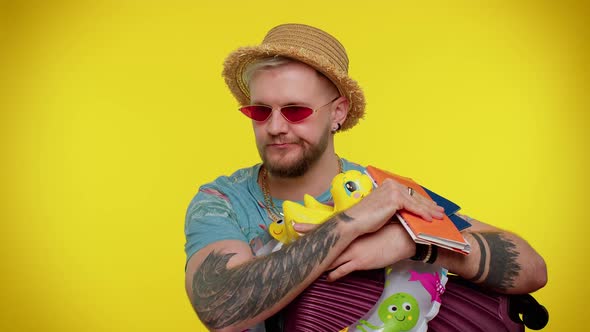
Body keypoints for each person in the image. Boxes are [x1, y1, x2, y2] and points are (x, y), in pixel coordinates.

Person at [184, 23, 547, 332]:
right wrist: (348, 224)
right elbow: (221, 307)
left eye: (296, 110)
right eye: (260, 111)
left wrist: (414, 244)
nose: (275, 127)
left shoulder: (384, 189)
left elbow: (532, 269)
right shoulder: (222, 202)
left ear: (338, 112)